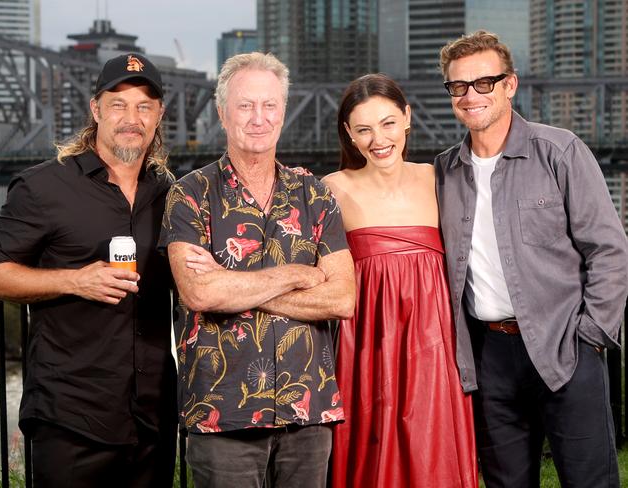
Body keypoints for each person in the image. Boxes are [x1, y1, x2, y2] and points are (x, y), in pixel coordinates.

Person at [435, 30, 628, 488]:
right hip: (489, 356)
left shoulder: (559, 150)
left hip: (566, 345)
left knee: (590, 480)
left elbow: (608, 249)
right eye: (458, 86)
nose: (470, 95)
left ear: (510, 85)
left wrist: (592, 336)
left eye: (484, 82)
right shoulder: (444, 172)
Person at [0, 53, 177, 487]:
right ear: (95, 110)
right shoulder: (45, 185)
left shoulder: (171, 194)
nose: (132, 117)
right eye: (118, 104)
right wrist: (75, 279)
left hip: (153, 418)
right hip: (70, 417)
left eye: (144, 106)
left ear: (159, 115)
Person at [159, 52, 355, 488]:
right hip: (221, 410)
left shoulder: (315, 194)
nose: (258, 118)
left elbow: (342, 299)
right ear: (223, 112)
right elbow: (200, 295)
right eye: (246, 105)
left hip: (308, 410)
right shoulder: (189, 195)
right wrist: (296, 274)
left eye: (269, 105)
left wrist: (234, 285)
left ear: (283, 112)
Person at [323, 73, 478, 488]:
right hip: (367, 340)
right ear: (349, 135)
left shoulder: (439, 178)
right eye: (364, 129)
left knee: (432, 445)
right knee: (370, 451)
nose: (379, 139)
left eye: (388, 122)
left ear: (407, 118)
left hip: (433, 340)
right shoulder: (331, 190)